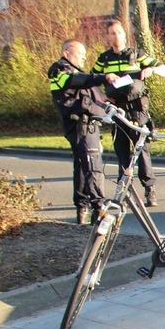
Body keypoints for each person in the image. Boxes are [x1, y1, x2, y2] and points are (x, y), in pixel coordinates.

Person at [92, 19, 165, 207]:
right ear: (108, 36)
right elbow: (91, 80)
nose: (116, 36)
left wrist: (151, 69)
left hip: (137, 109)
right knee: (121, 151)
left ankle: (149, 189)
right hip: (117, 109)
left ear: (124, 34)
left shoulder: (136, 54)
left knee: (141, 149)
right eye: (112, 33)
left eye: (119, 32)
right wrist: (102, 95)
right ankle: (124, 192)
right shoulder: (104, 59)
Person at [48, 40, 118, 224]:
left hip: (87, 126)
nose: (84, 58)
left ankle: (83, 208)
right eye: (80, 54)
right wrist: (103, 77)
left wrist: (108, 105)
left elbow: (93, 94)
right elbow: (77, 83)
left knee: (82, 166)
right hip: (81, 126)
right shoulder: (60, 71)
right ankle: (99, 209)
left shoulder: (77, 73)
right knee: (93, 167)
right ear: (66, 53)